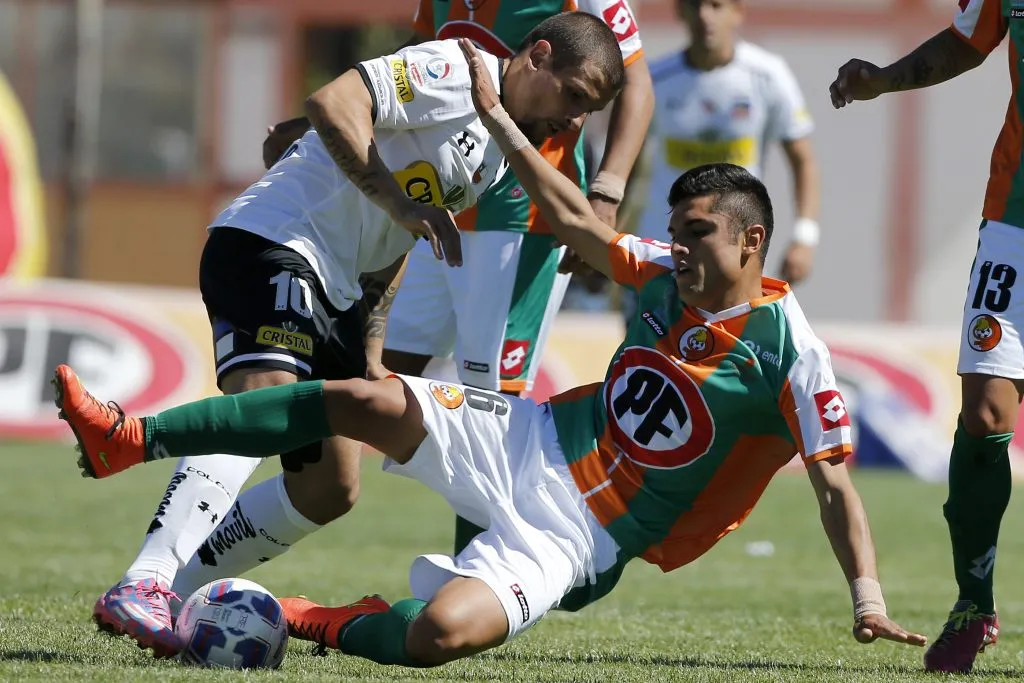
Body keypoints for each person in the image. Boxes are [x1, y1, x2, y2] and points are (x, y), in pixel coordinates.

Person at [55, 39, 928, 667]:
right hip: (529, 437)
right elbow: (579, 223)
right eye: (677, 231)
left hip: (582, 534)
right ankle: (132, 439)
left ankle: (304, 614)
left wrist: (868, 599)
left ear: (752, 242)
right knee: (366, 401)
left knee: (439, 633)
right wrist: (507, 123)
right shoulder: (659, 266)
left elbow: (835, 485)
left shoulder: (793, 352)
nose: (680, 248)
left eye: (698, 233)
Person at [88, 14, 625, 658]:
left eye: (588, 111)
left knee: (329, 488)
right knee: (265, 402)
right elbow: (332, 102)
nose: (573, 119)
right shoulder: (454, 69)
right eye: (574, 95)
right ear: (537, 56)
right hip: (277, 239)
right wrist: (398, 201)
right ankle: (147, 580)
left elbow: (399, 238)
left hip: (339, 287)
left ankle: (170, 595)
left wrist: (371, 345)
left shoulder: (495, 158)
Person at [263, 0, 653, 556]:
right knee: (366, 380)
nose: (572, 114)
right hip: (435, 207)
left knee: (490, 409)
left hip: (520, 217)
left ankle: (479, 580)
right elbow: (411, 61)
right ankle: (207, 540)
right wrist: (325, 123)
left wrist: (605, 194)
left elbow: (634, 80)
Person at [829, 1, 1017, 673]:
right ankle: (974, 603)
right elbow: (968, 41)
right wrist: (885, 79)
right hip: (1016, 220)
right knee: (985, 412)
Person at [634, 0, 819, 317]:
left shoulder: (768, 75)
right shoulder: (655, 79)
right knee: (649, 346)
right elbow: (630, 166)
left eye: (716, 5)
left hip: (734, 256)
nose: (705, 16)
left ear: (738, 11)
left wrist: (805, 237)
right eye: (695, 5)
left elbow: (803, 161)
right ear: (680, 11)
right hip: (663, 252)